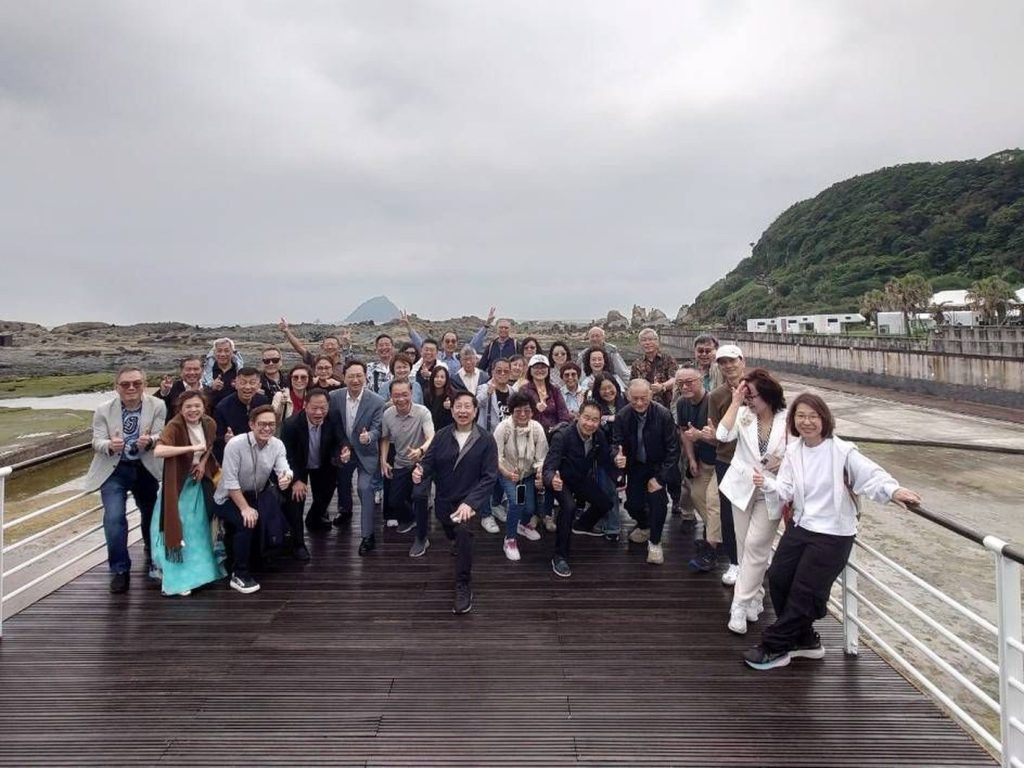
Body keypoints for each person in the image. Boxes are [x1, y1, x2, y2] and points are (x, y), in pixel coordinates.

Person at [744, 393, 922, 670]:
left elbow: (870, 475)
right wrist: (767, 483)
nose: (806, 422)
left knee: (806, 591)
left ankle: (774, 646)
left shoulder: (842, 451)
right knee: (778, 577)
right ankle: (805, 640)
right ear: (793, 420)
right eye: (800, 416)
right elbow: (787, 489)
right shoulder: (794, 451)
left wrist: (893, 490)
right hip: (801, 525)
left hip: (833, 533)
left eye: (813, 416)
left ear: (824, 419)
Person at [715, 368, 789, 636]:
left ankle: (739, 604)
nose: (749, 401)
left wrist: (784, 461)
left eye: (752, 396)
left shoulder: (787, 419)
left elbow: (799, 450)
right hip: (741, 487)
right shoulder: (743, 414)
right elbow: (722, 435)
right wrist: (736, 402)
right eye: (746, 396)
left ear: (768, 395)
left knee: (757, 546)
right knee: (744, 546)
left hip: (771, 490)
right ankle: (755, 596)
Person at [412, 391, 498, 614]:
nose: (463, 411)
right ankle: (457, 543)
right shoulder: (442, 435)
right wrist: (420, 471)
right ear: (452, 411)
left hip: (468, 502)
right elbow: (428, 462)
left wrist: (470, 503)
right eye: (458, 406)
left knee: (463, 532)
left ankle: (463, 584)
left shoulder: (486, 440)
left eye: (467, 406)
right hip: (444, 498)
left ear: (475, 411)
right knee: (450, 530)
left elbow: (489, 477)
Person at [84, 366, 166, 593]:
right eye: (125, 384)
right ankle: (120, 570)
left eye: (137, 383)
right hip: (114, 469)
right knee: (114, 517)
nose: (131, 388)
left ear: (144, 385)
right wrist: (109, 445)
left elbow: (161, 434)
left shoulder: (158, 405)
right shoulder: (103, 409)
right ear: (116, 387)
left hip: (145, 467)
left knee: (150, 513)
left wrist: (151, 440)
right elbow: (96, 441)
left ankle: (153, 554)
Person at [212, 405, 293, 595]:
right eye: (262, 424)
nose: (267, 428)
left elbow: (284, 467)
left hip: (257, 494)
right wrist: (244, 508)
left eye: (271, 424)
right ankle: (239, 574)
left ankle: (262, 558)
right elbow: (230, 482)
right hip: (228, 497)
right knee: (246, 521)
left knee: (276, 515)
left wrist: (286, 477)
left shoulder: (277, 444)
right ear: (251, 424)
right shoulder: (235, 445)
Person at [151, 390, 224, 596]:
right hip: (178, 485)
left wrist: (202, 463)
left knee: (199, 530)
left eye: (197, 406)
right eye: (188, 407)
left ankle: (201, 575)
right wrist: (190, 449)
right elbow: (158, 451)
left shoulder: (208, 423)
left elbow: (208, 445)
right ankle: (179, 579)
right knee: (179, 528)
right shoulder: (174, 426)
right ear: (180, 409)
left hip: (197, 483)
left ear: (204, 407)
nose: (193, 410)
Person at [543, 401, 616, 578]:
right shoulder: (563, 436)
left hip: (580, 478)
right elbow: (549, 467)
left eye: (595, 420)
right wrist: (552, 479)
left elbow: (606, 458)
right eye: (586, 418)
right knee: (568, 507)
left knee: (605, 503)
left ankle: (582, 525)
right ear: (578, 416)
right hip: (561, 480)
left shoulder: (598, 435)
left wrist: (617, 463)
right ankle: (560, 556)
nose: (590, 423)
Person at [613, 379, 680, 565]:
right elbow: (616, 443)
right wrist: (617, 456)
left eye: (643, 398)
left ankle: (655, 542)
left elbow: (673, 449)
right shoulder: (623, 415)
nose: (639, 403)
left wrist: (660, 478)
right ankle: (645, 526)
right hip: (636, 465)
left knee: (657, 502)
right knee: (632, 505)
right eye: (635, 398)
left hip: (658, 465)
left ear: (651, 395)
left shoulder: (663, 414)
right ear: (628, 397)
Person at [327, 360, 386, 553]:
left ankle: (368, 535)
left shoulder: (377, 401)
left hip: (366, 451)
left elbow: (378, 428)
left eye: (359, 375)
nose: (355, 380)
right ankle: (345, 510)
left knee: (365, 488)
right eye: (351, 376)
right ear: (344, 377)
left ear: (365, 377)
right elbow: (332, 425)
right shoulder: (334, 397)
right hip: (344, 449)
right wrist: (341, 447)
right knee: (342, 482)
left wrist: (369, 437)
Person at [379, 380, 435, 557]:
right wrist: (383, 460)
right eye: (396, 395)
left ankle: (422, 538)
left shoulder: (422, 412)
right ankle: (411, 519)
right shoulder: (388, 414)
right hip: (401, 462)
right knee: (394, 501)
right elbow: (385, 438)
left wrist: (421, 450)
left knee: (419, 496)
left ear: (411, 393)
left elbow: (431, 436)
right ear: (391, 396)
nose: (401, 399)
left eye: (405, 394)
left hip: (422, 463)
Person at [675, 367, 722, 572]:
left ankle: (711, 550)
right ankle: (718, 535)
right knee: (696, 495)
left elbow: (726, 440)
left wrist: (701, 436)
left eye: (689, 382)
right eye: (680, 383)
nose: (685, 387)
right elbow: (685, 432)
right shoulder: (682, 403)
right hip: (702, 460)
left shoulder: (713, 402)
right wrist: (691, 459)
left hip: (721, 461)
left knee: (713, 501)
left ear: (701, 380)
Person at [707, 344, 746, 586]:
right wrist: (707, 436)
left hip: (756, 463)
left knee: (760, 511)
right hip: (727, 460)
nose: (728, 366)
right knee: (729, 513)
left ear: (742, 361)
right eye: (723, 362)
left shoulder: (759, 388)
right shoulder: (716, 396)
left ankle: (758, 557)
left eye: (732, 360)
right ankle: (735, 561)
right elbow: (717, 433)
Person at [493, 392, 547, 562]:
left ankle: (522, 525)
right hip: (508, 474)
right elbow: (496, 456)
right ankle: (509, 539)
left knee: (529, 509)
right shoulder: (503, 428)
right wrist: (506, 473)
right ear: (511, 411)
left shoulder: (536, 428)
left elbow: (541, 456)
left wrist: (539, 471)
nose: (523, 414)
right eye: (518, 411)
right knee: (516, 502)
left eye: (527, 410)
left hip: (527, 475)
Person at [520, 354, 571, 533]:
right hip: (529, 439)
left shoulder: (554, 390)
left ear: (548, 369)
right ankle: (533, 513)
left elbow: (564, 415)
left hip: (552, 440)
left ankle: (548, 513)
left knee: (549, 474)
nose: (540, 370)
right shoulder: (524, 390)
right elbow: (519, 414)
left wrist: (556, 430)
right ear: (530, 370)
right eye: (536, 367)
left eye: (543, 367)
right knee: (531, 475)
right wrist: (535, 411)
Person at [281, 388, 335, 543]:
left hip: (322, 463)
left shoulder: (333, 418)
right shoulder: (291, 425)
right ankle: (298, 542)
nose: (319, 412)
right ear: (305, 406)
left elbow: (340, 439)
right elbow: (287, 455)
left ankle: (314, 519)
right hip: (299, 465)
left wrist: (344, 449)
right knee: (296, 500)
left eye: (323, 408)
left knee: (325, 495)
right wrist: (297, 480)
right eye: (314, 408)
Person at [402, 307, 495, 373]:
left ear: (457, 343)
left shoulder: (460, 358)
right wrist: (408, 326)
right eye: (447, 341)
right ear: (442, 343)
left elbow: (473, 345)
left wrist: (486, 325)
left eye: (453, 341)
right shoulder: (436, 356)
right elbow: (421, 344)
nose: (450, 343)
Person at [592, 372, 627, 542]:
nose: (607, 392)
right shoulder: (594, 407)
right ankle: (613, 526)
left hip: (626, 451)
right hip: (604, 453)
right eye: (603, 389)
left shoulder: (625, 402)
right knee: (608, 490)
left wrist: (614, 418)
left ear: (616, 387)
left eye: (610, 387)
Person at [213, 367, 269, 463]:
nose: (247, 387)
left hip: (259, 453)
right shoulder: (222, 407)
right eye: (243, 383)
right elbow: (216, 440)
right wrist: (225, 439)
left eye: (252, 383)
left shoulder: (263, 401)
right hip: (234, 456)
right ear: (235, 384)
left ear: (259, 386)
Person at [279, 317, 352, 373]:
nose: (330, 347)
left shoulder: (345, 363)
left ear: (339, 347)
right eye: (327, 345)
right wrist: (287, 331)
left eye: (332, 345)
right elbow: (300, 348)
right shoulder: (315, 361)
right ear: (322, 347)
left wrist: (347, 343)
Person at [630, 328, 677, 408]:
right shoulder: (636, 363)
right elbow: (632, 383)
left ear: (657, 341)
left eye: (650, 339)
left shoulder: (668, 359)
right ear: (640, 343)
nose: (647, 343)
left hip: (666, 404)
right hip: (643, 405)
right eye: (644, 340)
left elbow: (675, 379)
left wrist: (662, 386)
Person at [202, 338, 244, 408]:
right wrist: (212, 387)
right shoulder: (206, 372)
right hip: (212, 410)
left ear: (232, 352)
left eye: (226, 351)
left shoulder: (239, 372)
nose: (222, 354)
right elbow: (200, 394)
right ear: (214, 353)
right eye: (219, 351)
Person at [476, 358, 513, 432]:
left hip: (507, 433)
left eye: (506, 371)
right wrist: (487, 392)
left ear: (510, 373)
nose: (502, 373)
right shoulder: (484, 388)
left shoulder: (513, 391)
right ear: (493, 372)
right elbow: (476, 403)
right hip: (489, 433)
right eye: (499, 371)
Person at [424, 365, 456, 431]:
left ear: (446, 379)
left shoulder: (453, 394)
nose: (439, 380)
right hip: (431, 429)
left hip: (447, 430)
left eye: (442, 377)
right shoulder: (427, 393)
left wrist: (452, 406)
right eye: (436, 377)